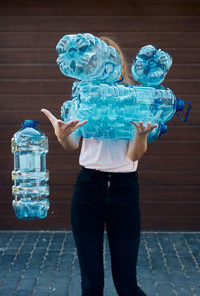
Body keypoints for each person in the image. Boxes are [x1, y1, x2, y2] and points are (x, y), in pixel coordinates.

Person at [41, 36, 157, 296]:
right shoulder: (85, 96)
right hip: (88, 190)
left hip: (124, 191)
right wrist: (62, 135)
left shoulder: (132, 99)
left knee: (127, 284)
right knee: (91, 285)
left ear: (114, 62)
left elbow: (134, 155)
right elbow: (73, 145)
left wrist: (140, 136)